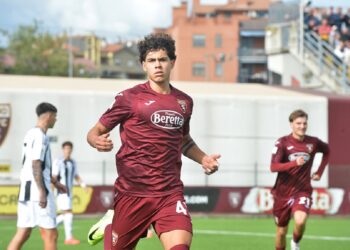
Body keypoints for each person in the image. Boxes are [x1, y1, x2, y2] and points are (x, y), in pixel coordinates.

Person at [86, 33, 220, 250]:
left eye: (162, 59)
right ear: (143, 65)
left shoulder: (184, 102)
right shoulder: (128, 97)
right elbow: (95, 131)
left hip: (169, 192)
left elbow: (184, 141)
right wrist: (96, 140)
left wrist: (203, 158)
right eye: (151, 60)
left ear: (172, 62)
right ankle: (112, 225)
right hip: (133, 192)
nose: (157, 65)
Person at [7, 102, 67, 250]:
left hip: (25, 192)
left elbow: (36, 165)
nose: (55, 119)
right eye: (55, 116)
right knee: (51, 234)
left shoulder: (29, 134)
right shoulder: (40, 136)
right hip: (38, 192)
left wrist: (56, 183)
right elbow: (35, 164)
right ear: (48, 116)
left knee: (23, 233)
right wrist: (42, 191)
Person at [270, 109, 330, 250]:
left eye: (304, 123)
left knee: (300, 220)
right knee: (281, 232)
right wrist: (294, 163)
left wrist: (320, 172)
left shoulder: (313, 143)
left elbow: (327, 151)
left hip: (302, 190)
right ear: (291, 124)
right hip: (282, 193)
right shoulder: (282, 143)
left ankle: (295, 242)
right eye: (298, 123)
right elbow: (273, 167)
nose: (302, 126)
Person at [52, 141, 87, 245]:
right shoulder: (58, 162)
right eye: (66, 148)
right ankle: (68, 238)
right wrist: (51, 190)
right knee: (68, 213)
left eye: (69, 148)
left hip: (69, 192)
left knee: (66, 214)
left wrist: (83, 185)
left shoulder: (73, 162)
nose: (68, 150)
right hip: (61, 192)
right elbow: (53, 177)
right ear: (63, 150)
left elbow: (76, 175)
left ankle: (49, 226)